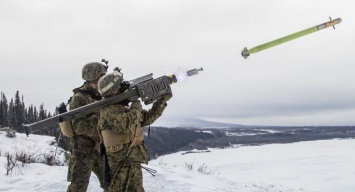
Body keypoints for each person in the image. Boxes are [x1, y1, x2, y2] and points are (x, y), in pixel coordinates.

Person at [97, 69, 172, 192]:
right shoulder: (108, 110)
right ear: (114, 90)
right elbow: (124, 124)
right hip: (120, 162)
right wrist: (136, 108)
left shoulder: (125, 107)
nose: (124, 89)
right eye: (121, 87)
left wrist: (161, 101)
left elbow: (147, 118)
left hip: (132, 159)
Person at [67, 61, 107, 192]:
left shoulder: (104, 94)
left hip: (100, 147)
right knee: (78, 187)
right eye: (100, 78)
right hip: (82, 151)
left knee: (112, 182)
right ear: (91, 78)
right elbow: (78, 126)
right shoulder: (79, 98)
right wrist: (101, 117)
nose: (102, 80)